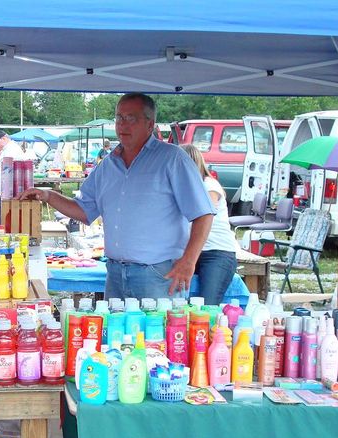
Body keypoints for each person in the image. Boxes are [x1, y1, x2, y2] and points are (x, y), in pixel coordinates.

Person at [19, 93, 215, 299]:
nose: (122, 125)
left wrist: (189, 261)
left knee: (159, 322)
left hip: (159, 275)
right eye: (119, 118)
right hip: (115, 274)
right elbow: (85, 211)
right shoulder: (107, 165)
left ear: (150, 124)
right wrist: (48, 196)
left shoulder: (172, 158)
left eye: (131, 118)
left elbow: (203, 214)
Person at [180, 144, 239, 304]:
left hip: (217, 252)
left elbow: (205, 214)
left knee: (207, 304)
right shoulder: (181, 188)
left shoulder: (209, 185)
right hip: (190, 251)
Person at [0, 129, 24, 194]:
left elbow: (8, 171)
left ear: (3, 139)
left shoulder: (11, 149)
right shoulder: (8, 149)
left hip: (6, 189)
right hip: (3, 187)